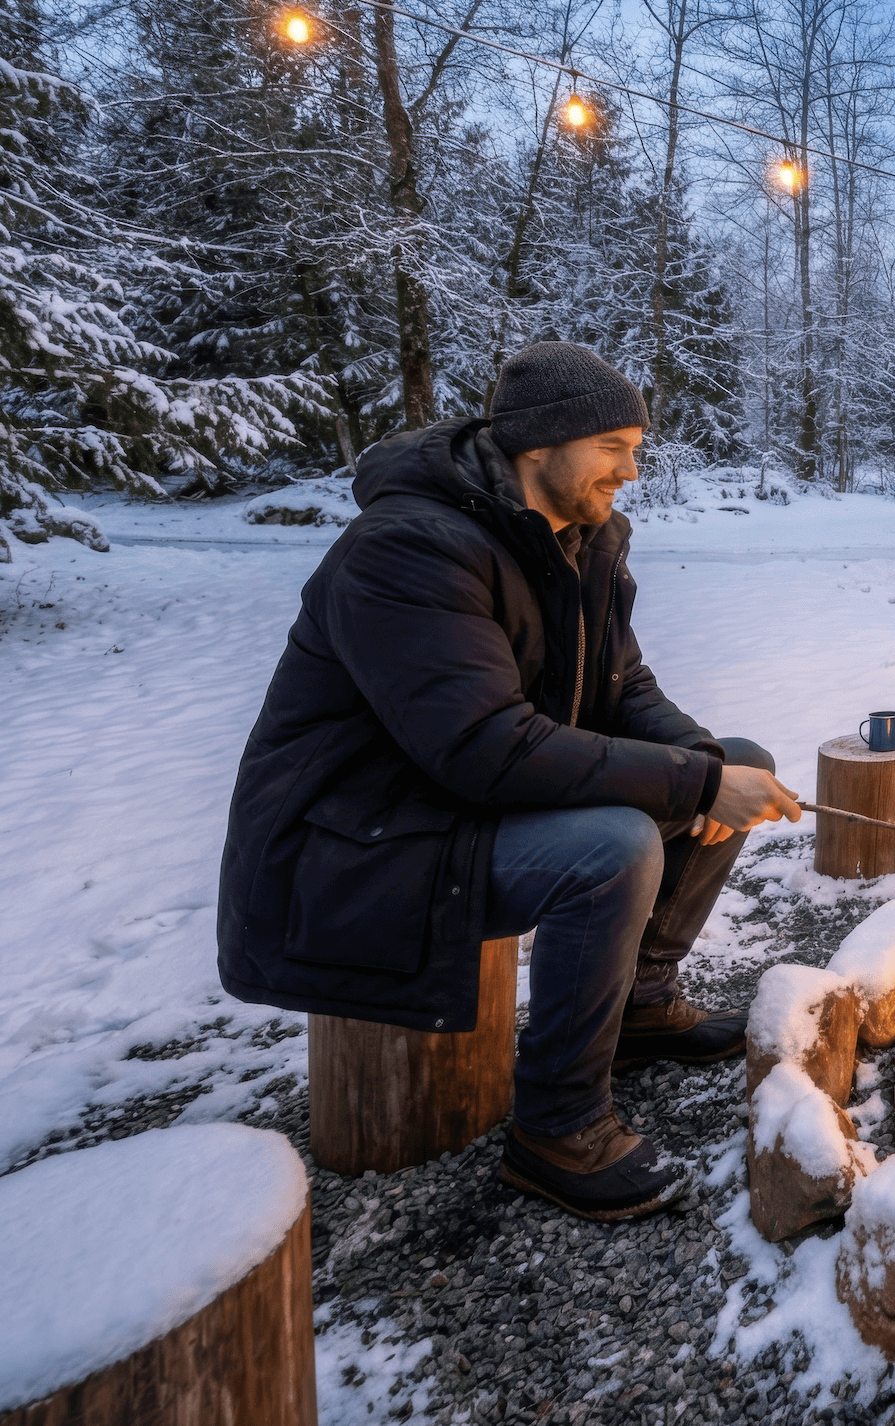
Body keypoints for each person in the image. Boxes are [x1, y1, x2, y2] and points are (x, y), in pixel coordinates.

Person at [217, 342, 800, 1224]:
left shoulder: (582, 538)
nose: (632, 472)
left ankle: (639, 1008)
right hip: (359, 839)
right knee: (614, 846)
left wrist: (710, 767)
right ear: (541, 444)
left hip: (453, 809)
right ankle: (557, 1129)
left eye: (635, 447)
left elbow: (622, 689)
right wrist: (693, 786)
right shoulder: (409, 548)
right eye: (613, 447)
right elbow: (485, 747)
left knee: (731, 758)